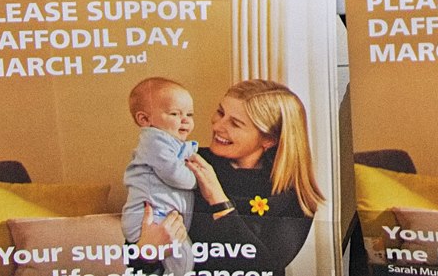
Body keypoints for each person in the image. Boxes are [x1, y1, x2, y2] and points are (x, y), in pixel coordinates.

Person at [179, 81, 324, 276]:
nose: (217, 125)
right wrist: (145, 245)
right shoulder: (187, 163)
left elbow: (263, 267)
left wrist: (218, 200)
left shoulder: (296, 196)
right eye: (221, 113)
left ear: (268, 140)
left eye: (235, 123)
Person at [122, 77, 197, 276]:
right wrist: (197, 178)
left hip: (162, 216)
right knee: (182, 260)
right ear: (145, 120)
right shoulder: (154, 141)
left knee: (181, 259)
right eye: (175, 114)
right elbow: (174, 174)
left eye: (189, 114)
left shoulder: (171, 144)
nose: (185, 120)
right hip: (152, 218)